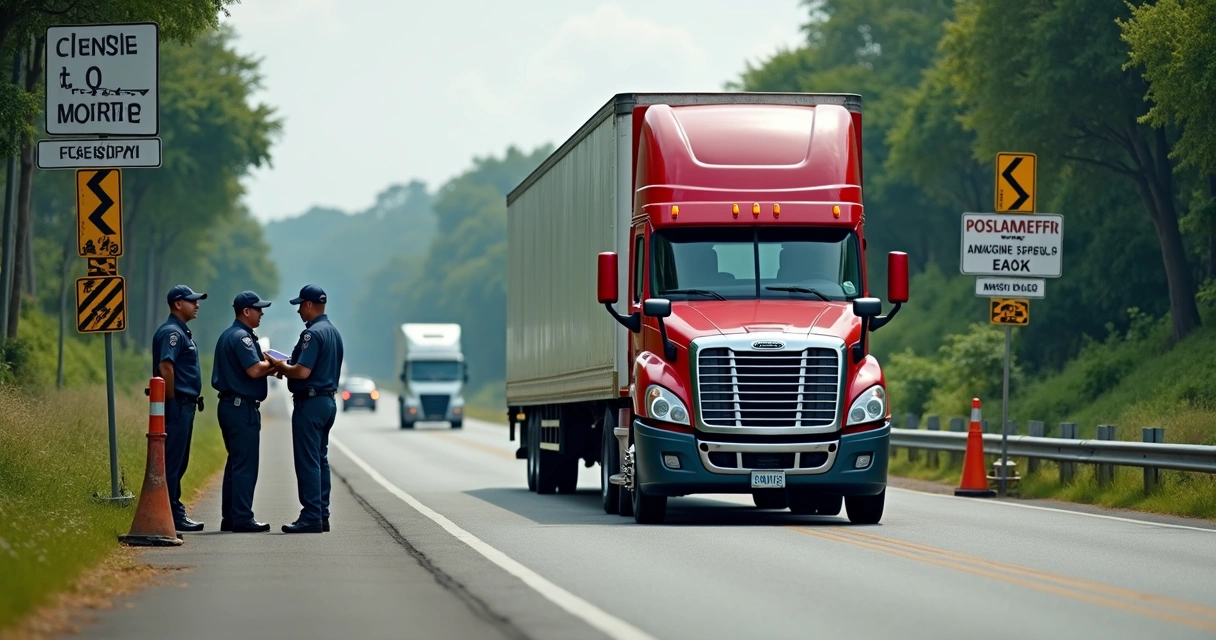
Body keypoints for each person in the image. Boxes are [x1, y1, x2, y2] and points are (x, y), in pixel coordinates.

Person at [268, 284, 344, 534]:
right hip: (327, 401)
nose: (299, 311)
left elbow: (302, 371)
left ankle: (311, 515)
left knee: (308, 460)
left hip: (310, 403)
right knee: (320, 460)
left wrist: (280, 365)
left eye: (300, 305)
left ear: (310, 305)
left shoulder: (312, 335)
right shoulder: (333, 332)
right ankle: (321, 513)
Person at [211, 291, 278, 533]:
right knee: (245, 465)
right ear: (246, 311)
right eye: (258, 309)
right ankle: (241, 518)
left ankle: (230, 516)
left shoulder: (230, 334)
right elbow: (253, 370)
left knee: (235, 463)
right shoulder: (242, 338)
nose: (262, 313)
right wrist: (276, 364)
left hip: (230, 406)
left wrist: (268, 368)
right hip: (241, 408)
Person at [153, 285, 207, 532]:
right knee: (173, 462)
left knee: (180, 461)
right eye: (191, 301)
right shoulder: (172, 333)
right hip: (177, 404)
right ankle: (172, 514)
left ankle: (172, 511)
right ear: (177, 303)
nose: (196, 305)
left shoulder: (182, 332)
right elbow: (166, 367)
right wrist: (173, 401)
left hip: (185, 405)